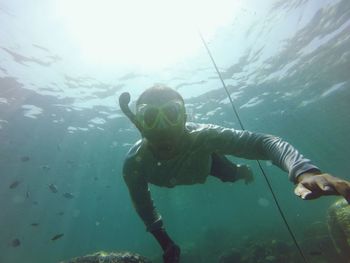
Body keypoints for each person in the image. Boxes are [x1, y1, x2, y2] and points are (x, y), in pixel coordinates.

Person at [119, 84, 350, 263]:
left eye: (171, 113)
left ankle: (241, 172)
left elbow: (263, 142)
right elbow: (145, 208)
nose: (163, 126)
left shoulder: (203, 136)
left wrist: (305, 172)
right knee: (225, 171)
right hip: (192, 168)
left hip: (207, 165)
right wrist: (167, 244)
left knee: (232, 173)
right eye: (150, 117)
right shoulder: (134, 163)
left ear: (185, 119)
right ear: (139, 123)